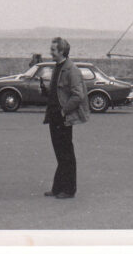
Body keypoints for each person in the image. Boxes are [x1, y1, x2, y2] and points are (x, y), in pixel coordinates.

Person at [43, 37, 88, 199]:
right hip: (54, 116)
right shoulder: (58, 67)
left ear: (62, 51)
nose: (50, 52)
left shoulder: (71, 69)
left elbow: (78, 95)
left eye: (53, 50)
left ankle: (69, 190)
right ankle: (57, 188)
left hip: (63, 117)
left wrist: (63, 111)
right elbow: (58, 92)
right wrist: (45, 91)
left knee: (66, 153)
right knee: (60, 152)